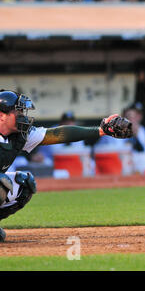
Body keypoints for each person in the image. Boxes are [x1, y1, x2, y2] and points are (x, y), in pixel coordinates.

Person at [0, 90, 132, 242]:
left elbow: (57, 134)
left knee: (25, 183)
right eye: (18, 112)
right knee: (2, 183)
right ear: (1, 116)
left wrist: (100, 130)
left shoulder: (20, 134)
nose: (22, 116)